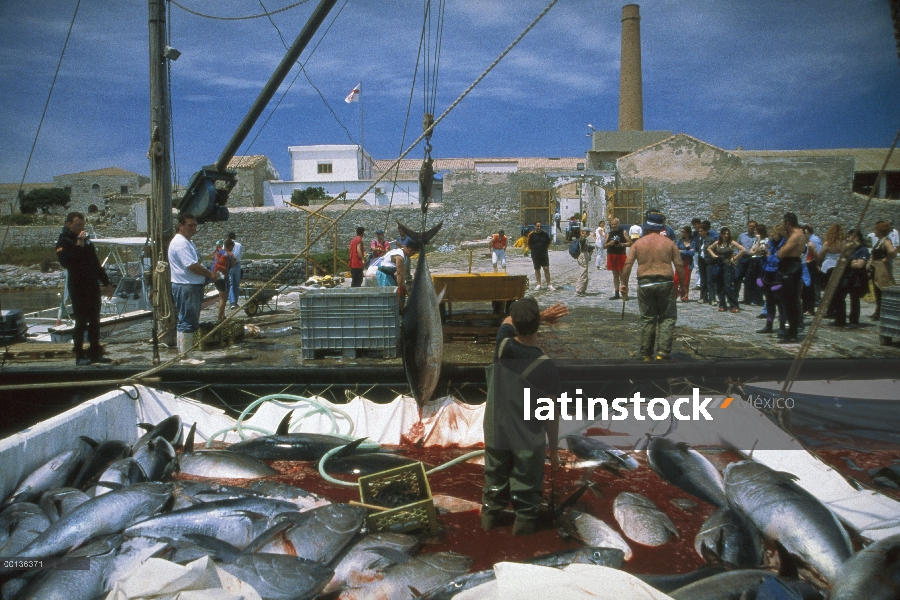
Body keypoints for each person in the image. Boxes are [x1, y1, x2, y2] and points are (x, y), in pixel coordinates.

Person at [482, 297, 567, 536]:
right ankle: (523, 533)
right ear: (537, 326)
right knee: (526, 485)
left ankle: (488, 519)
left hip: (496, 429)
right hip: (526, 436)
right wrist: (554, 449)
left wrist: (540, 315)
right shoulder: (546, 366)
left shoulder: (502, 345)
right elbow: (550, 413)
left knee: (494, 479)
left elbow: (508, 321)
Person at [620, 213, 687, 361]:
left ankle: (646, 354)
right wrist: (683, 286)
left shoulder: (638, 244)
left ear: (647, 227)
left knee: (648, 319)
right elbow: (679, 265)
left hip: (645, 283)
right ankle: (662, 353)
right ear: (662, 227)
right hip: (665, 282)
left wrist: (623, 284)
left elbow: (628, 264)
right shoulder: (669, 243)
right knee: (667, 318)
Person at [56, 211, 115, 366]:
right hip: (78, 286)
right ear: (69, 224)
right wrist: (78, 246)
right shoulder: (64, 241)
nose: (81, 227)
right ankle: (79, 354)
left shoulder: (86, 241)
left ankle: (95, 353)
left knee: (95, 321)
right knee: (81, 322)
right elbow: (66, 263)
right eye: (78, 225)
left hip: (91, 285)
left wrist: (107, 283)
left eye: (83, 224)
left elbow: (95, 264)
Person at [168, 212, 221, 365]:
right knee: (188, 320)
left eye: (195, 225)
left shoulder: (187, 241)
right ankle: (185, 357)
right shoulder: (181, 243)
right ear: (180, 226)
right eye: (190, 225)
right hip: (186, 286)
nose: (193, 228)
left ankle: (182, 354)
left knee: (184, 319)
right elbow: (191, 266)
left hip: (188, 285)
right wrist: (210, 275)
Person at [776, 212, 807, 343]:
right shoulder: (798, 234)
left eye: (783, 222)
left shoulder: (796, 235)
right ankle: (791, 329)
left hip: (791, 266)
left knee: (791, 300)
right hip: (791, 265)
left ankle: (793, 331)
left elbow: (781, 254)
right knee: (789, 300)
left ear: (787, 222)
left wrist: (781, 249)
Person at [832, 228, 869, 328]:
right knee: (839, 296)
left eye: (849, 237)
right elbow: (840, 260)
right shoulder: (849, 249)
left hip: (856, 277)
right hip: (846, 276)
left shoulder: (863, 249)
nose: (847, 239)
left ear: (856, 237)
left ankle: (854, 320)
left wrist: (848, 261)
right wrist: (851, 261)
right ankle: (840, 319)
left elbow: (859, 264)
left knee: (854, 298)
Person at [757, 225, 787, 336]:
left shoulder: (783, 244)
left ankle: (782, 326)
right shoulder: (771, 243)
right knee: (769, 301)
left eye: (773, 232)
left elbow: (777, 261)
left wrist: (768, 255)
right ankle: (768, 325)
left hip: (777, 276)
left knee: (780, 302)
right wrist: (763, 254)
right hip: (768, 275)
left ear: (779, 234)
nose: (770, 234)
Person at [707, 227, 745, 313]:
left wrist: (735, 258)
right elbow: (709, 248)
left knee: (728, 286)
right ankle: (722, 304)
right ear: (721, 234)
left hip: (728, 266)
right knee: (719, 286)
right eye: (724, 234)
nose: (726, 235)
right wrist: (714, 256)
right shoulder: (718, 243)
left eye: (727, 234)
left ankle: (734, 305)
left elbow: (743, 250)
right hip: (719, 265)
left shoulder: (731, 243)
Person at [869, 221, 898, 320]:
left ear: (879, 231)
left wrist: (887, 258)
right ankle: (878, 310)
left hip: (882, 269)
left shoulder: (886, 241)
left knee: (882, 289)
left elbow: (892, 251)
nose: (874, 231)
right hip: (876, 268)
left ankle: (884, 312)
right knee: (877, 290)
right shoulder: (879, 241)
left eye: (876, 229)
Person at [817, 224, 845, 319]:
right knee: (838, 289)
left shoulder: (828, 243)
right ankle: (837, 311)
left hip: (828, 265)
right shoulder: (843, 243)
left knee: (829, 289)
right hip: (839, 265)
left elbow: (821, 255)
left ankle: (829, 310)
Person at [604, 218, 632, 300]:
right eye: (612, 224)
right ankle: (616, 293)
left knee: (622, 275)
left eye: (615, 224)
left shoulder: (623, 232)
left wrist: (621, 244)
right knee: (615, 275)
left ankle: (624, 293)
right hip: (612, 255)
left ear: (619, 224)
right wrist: (609, 243)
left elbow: (630, 243)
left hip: (621, 255)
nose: (614, 226)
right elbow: (604, 246)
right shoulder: (609, 234)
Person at [211, 239, 234, 322]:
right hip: (222, 277)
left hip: (215, 276)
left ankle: (223, 316)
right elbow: (232, 264)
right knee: (223, 299)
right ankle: (220, 319)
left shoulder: (218, 252)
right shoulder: (229, 254)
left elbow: (212, 258)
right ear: (230, 246)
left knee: (222, 295)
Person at [527, 221, 554, 291]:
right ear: (535, 227)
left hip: (544, 254)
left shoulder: (545, 234)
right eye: (537, 226)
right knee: (537, 269)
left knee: (546, 269)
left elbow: (548, 244)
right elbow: (529, 245)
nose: (539, 227)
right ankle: (538, 284)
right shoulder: (531, 235)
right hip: (535, 254)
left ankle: (549, 284)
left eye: (540, 226)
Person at [735, 221, 758, 300]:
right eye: (750, 226)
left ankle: (747, 298)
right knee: (737, 277)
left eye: (753, 226)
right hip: (742, 258)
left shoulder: (757, 237)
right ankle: (735, 296)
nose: (751, 227)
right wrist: (736, 255)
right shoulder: (742, 235)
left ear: (755, 227)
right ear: (747, 226)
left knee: (749, 279)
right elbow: (736, 245)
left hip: (751, 259)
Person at [673, 226, 695, 302]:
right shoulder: (679, 241)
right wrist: (687, 250)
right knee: (676, 280)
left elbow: (692, 254)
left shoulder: (693, 242)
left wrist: (682, 251)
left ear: (688, 233)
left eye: (684, 232)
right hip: (680, 262)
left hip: (688, 263)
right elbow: (676, 251)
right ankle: (675, 294)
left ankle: (684, 295)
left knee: (686, 280)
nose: (682, 233)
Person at [575, 229, 593, 296]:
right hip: (583, 256)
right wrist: (582, 235)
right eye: (587, 232)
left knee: (585, 273)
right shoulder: (582, 238)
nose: (588, 233)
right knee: (583, 273)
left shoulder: (586, 239)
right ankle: (579, 290)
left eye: (588, 232)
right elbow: (581, 240)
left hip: (585, 255)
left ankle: (583, 289)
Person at [226, 232, 242, 309]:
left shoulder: (226, 245)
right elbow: (240, 254)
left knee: (230, 284)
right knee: (236, 284)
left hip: (229, 264)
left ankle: (232, 302)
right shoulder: (239, 245)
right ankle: (235, 301)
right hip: (238, 264)